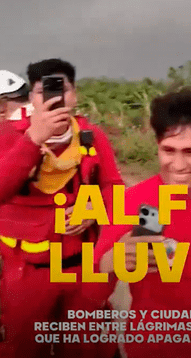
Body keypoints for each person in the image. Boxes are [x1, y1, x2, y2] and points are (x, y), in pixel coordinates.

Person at [94, 87, 191, 358]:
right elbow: (92, 286)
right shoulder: (134, 201)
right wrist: (113, 260)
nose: (178, 165)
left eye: (190, 151)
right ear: (157, 147)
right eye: (168, 150)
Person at [0, 59, 122, 357]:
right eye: (44, 91)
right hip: (28, 272)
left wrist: (93, 210)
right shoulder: (8, 135)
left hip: (81, 269)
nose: (55, 98)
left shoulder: (92, 136)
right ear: (32, 98)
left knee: (86, 348)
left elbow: (114, 189)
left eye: (62, 89)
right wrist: (32, 140)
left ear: (74, 94)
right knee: (23, 347)